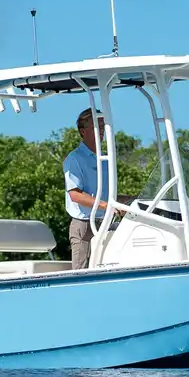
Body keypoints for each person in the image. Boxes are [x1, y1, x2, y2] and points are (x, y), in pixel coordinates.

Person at [63, 107, 131, 269]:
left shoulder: (105, 160)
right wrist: (106, 206)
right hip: (85, 226)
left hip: (106, 223)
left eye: (102, 125)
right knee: (82, 275)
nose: (101, 130)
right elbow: (76, 195)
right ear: (82, 131)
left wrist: (130, 201)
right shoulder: (75, 159)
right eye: (96, 126)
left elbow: (107, 196)